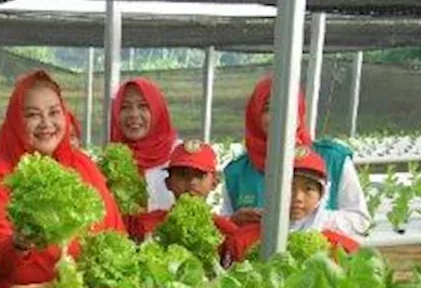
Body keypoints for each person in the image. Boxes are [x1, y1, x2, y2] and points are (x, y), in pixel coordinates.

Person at [0, 70, 125, 288]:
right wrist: (17, 243)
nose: (46, 123)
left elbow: (115, 235)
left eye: (54, 112)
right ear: (16, 123)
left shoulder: (84, 167)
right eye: (32, 115)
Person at [221, 75, 370, 237]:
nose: (279, 114)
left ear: (299, 111)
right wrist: (234, 222)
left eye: (287, 105)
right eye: (268, 108)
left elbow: (359, 221)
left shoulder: (333, 159)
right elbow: (225, 224)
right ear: (255, 114)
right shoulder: (237, 172)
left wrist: (312, 218)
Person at [223, 147, 360, 263]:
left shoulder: (341, 249)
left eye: (308, 189)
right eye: (289, 187)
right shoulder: (242, 242)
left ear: (321, 195)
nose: (298, 197)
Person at [125, 139, 237, 243]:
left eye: (199, 175)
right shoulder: (145, 224)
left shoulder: (227, 231)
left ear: (215, 182)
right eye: (183, 174)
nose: (192, 181)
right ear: (167, 183)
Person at [110, 78, 179, 211]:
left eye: (143, 106)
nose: (134, 114)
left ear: (157, 109)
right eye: (125, 107)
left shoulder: (179, 157)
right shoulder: (110, 162)